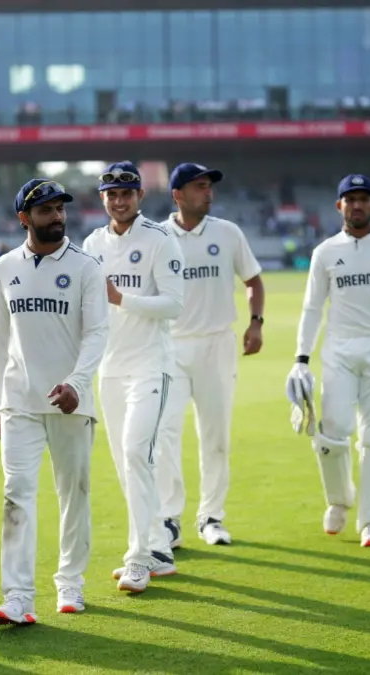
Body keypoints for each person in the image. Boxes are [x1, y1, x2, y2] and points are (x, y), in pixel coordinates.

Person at [0, 179, 108, 625]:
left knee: (74, 494)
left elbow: (97, 333)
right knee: (16, 493)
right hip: (19, 400)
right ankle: (18, 596)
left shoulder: (86, 267)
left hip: (71, 403)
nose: (57, 217)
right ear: (24, 218)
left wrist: (77, 382)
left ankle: (70, 582)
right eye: (45, 210)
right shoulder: (4, 268)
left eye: (60, 208)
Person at [286, 174, 370, 548]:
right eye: (350, 199)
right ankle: (339, 499)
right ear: (339, 206)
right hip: (340, 352)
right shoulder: (325, 252)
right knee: (332, 430)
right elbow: (312, 308)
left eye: (364, 199)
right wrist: (301, 359)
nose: (357, 205)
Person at [81, 161, 185, 593]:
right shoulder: (93, 243)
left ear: (140, 195)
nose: (119, 201)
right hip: (111, 368)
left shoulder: (160, 239)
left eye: (126, 193)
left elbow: (174, 304)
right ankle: (158, 547)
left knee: (136, 452)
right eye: (112, 194)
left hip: (150, 365)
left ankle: (138, 559)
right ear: (102, 198)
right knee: (128, 465)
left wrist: (121, 298)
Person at [155, 164, 265, 549]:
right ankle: (168, 519)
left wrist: (256, 323)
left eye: (209, 186)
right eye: (199, 186)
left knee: (215, 436)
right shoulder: (157, 237)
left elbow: (253, 280)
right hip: (169, 347)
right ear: (177, 195)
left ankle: (211, 517)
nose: (208, 192)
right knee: (165, 434)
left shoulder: (227, 232)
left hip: (217, 345)